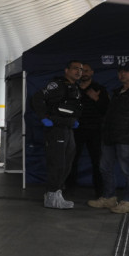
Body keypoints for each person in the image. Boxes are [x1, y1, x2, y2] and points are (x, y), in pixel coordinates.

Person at [87, 62, 129, 214]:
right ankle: (109, 197)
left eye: (127, 71)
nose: (122, 74)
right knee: (104, 167)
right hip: (110, 137)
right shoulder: (117, 92)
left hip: (127, 139)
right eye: (120, 71)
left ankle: (128, 202)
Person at [30, 60, 83, 209]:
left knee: (67, 163)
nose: (78, 71)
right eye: (75, 69)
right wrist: (43, 118)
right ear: (66, 70)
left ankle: (56, 192)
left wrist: (74, 120)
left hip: (68, 128)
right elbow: (37, 98)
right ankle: (51, 195)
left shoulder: (75, 88)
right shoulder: (57, 85)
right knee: (57, 163)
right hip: (56, 129)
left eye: (80, 69)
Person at [68, 62, 109, 196]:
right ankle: (68, 191)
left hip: (95, 131)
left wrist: (96, 98)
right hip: (76, 130)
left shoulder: (99, 89)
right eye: (81, 70)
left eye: (86, 70)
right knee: (72, 161)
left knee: (97, 162)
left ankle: (100, 193)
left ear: (92, 73)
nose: (83, 73)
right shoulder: (73, 88)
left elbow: (106, 110)